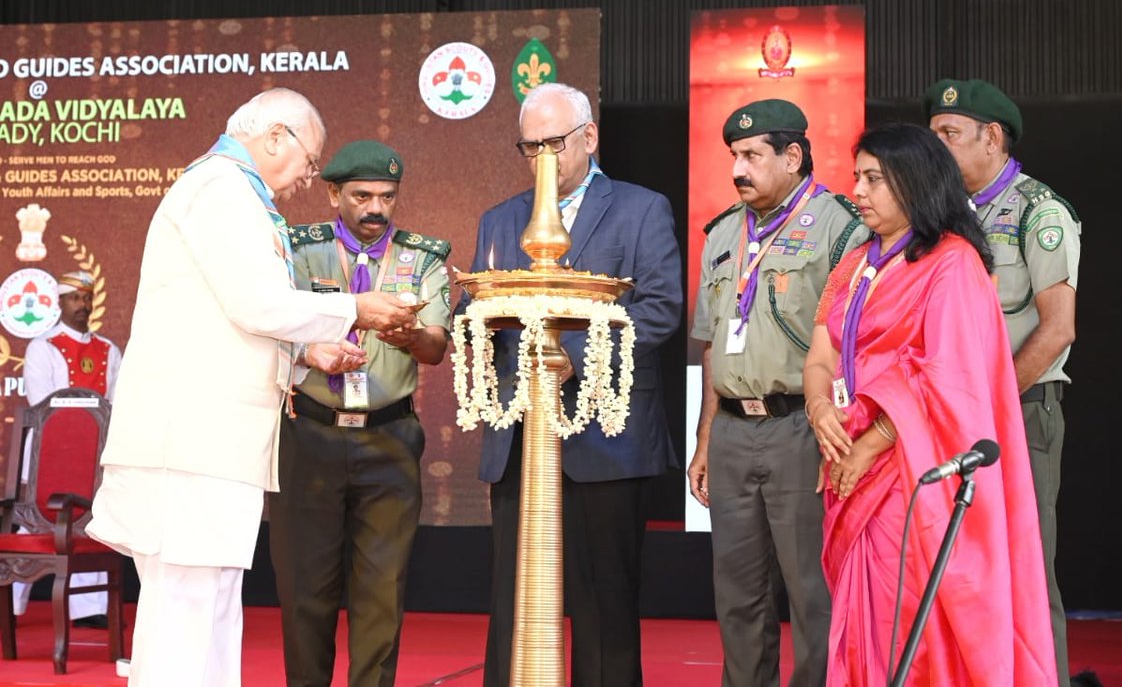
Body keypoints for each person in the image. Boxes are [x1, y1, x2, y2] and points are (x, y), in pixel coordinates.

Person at [85, 87, 418, 687]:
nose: (306, 178)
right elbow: (255, 304)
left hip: (210, 444)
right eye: (310, 162)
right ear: (274, 137)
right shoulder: (221, 189)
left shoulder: (235, 193)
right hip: (189, 441)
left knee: (210, 608)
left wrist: (304, 355)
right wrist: (356, 310)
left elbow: (226, 319)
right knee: (186, 613)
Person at [803, 123, 1057, 685]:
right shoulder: (853, 264)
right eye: (857, 178)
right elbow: (820, 352)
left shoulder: (953, 263)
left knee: (909, 619)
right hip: (848, 462)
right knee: (863, 618)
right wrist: (819, 409)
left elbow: (949, 376)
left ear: (914, 182)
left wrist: (870, 445)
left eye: (874, 178)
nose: (859, 192)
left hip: (913, 474)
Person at [462, 82, 682, 687]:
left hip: (605, 442)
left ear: (588, 138)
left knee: (603, 608)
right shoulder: (500, 219)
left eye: (553, 144)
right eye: (530, 147)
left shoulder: (642, 209)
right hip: (519, 439)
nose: (542, 159)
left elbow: (660, 310)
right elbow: (473, 309)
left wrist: (568, 359)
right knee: (513, 605)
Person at [687, 98, 867, 687]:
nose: (738, 169)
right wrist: (705, 435)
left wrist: (844, 434)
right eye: (734, 157)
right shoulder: (720, 234)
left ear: (792, 156)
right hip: (734, 431)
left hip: (804, 430)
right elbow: (712, 341)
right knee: (737, 592)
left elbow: (858, 342)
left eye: (751, 155)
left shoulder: (844, 224)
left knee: (813, 592)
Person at [268, 140, 451, 687]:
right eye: (362, 195)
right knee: (306, 590)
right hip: (311, 437)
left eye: (387, 197)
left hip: (389, 439)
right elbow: (274, 329)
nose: (376, 208)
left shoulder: (425, 258)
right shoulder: (299, 252)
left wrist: (412, 334)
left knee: (382, 591)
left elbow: (435, 347)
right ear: (333, 194)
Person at [925, 78, 1081, 687]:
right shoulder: (941, 219)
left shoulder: (1039, 211)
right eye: (933, 135)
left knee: (1027, 572)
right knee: (956, 574)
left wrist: (988, 402)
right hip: (949, 422)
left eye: (950, 135)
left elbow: (1058, 328)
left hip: (1018, 415)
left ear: (992, 137)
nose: (936, 148)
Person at [12, 270, 123, 628]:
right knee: (33, 523)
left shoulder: (109, 350)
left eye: (87, 298)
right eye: (74, 298)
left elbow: (116, 406)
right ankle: (10, 605)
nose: (82, 305)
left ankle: (89, 609)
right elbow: (40, 403)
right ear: (59, 302)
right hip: (48, 454)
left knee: (92, 522)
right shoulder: (42, 348)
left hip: (93, 456)